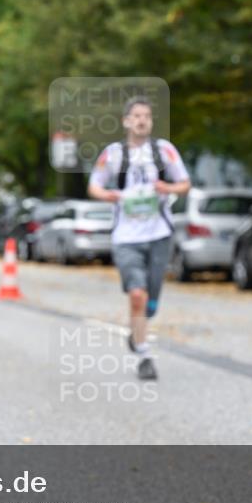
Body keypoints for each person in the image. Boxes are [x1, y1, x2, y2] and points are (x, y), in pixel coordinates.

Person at [87, 96, 191, 381]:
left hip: (159, 234)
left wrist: (167, 187)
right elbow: (94, 185)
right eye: (136, 115)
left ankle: (139, 329)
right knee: (137, 295)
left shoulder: (164, 151)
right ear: (126, 121)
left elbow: (184, 183)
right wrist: (107, 194)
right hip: (126, 236)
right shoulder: (113, 154)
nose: (142, 120)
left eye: (146, 115)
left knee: (151, 301)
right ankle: (144, 354)